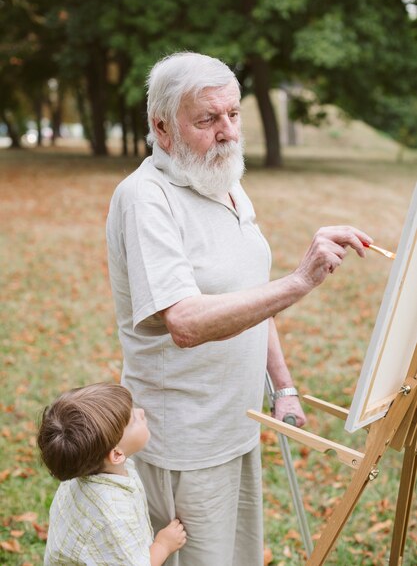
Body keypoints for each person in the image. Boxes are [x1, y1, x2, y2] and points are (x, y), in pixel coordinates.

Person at [106, 51, 373, 566]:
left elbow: (247, 294)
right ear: (163, 128)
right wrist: (298, 282)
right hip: (184, 440)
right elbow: (183, 322)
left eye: (233, 113)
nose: (227, 131)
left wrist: (284, 385)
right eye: (207, 119)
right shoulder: (146, 198)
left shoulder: (222, 179)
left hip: (237, 423)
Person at [37, 382, 186, 565]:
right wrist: (163, 545)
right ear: (116, 454)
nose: (141, 413)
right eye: (133, 420)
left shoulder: (81, 474)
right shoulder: (115, 516)